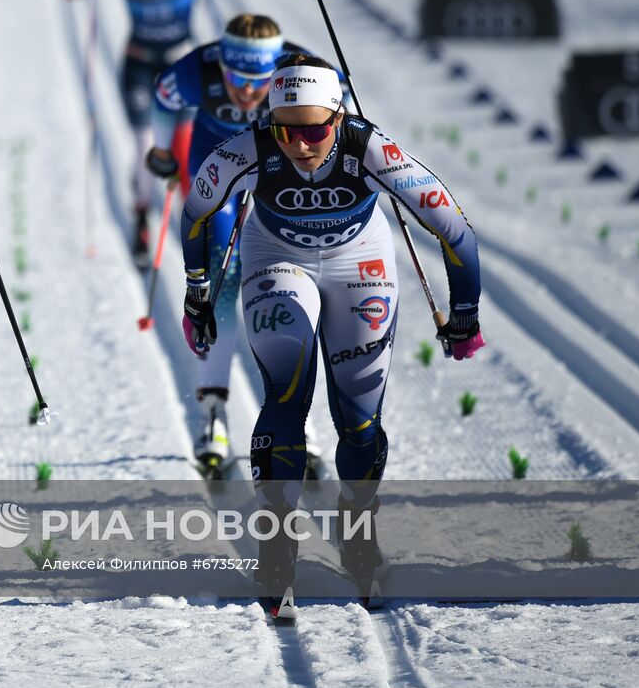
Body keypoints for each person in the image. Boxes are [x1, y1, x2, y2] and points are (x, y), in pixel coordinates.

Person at [178, 53, 484, 614]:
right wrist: (198, 291)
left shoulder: (371, 149)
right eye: (286, 131)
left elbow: (454, 229)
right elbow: (198, 209)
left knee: (360, 423)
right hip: (276, 258)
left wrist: (465, 312)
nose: (299, 144)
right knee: (286, 392)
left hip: (359, 264)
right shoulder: (250, 146)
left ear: (339, 118)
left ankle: (358, 528)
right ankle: (276, 548)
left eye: (315, 129)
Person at [144, 14, 326, 478]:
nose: (247, 92)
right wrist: (163, 152)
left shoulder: (299, 68)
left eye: (258, 81)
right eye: (236, 79)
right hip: (216, 170)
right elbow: (162, 100)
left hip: (276, 174)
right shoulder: (196, 70)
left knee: (283, 292)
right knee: (219, 288)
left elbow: (337, 97)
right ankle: (214, 416)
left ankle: (296, 425)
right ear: (220, 64)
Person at [63, 0, 248, 265]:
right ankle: (142, 219)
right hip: (140, 66)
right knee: (146, 145)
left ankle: (197, 223)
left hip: (182, 69)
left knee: (186, 148)